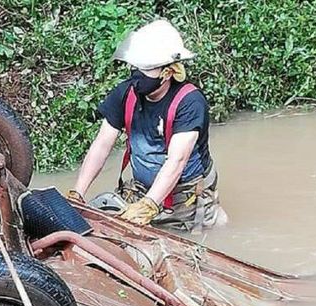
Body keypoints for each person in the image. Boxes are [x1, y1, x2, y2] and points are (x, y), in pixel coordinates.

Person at [69, 20, 222, 232]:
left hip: (183, 199)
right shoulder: (125, 94)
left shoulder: (189, 102)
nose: (137, 74)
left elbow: (177, 161)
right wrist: (77, 194)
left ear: (167, 72)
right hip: (140, 188)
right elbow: (102, 145)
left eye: (146, 68)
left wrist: (149, 206)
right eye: (135, 66)